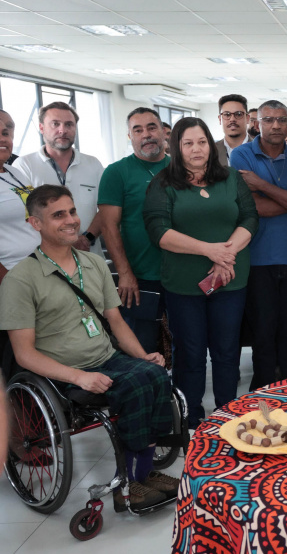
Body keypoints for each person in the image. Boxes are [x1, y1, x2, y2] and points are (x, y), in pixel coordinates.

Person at [0, 184, 179, 510]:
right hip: (62, 373)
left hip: (106, 357)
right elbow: (24, 354)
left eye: (72, 212)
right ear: (35, 223)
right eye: (58, 215)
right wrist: (79, 377)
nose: (71, 220)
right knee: (138, 383)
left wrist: (143, 356)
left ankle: (142, 474)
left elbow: (116, 322)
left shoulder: (94, 264)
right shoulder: (20, 280)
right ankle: (130, 484)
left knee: (155, 372)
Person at [143, 117, 258, 429]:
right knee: (190, 353)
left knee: (227, 352)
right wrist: (210, 251)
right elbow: (159, 231)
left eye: (202, 142)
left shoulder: (230, 178)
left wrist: (225, 255)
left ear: (211, 143)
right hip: (184, 286)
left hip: (230, 280)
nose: (197, 149)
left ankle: (227, 414)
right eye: (188, 143)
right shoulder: (162, 183)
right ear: (176, 147)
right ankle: (190, 418)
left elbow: (249, 218)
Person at [230, 100, 287, 390]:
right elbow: (252, 207)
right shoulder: (242, 155)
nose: (276, 125)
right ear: (257, 124)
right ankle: (263, 398)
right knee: (263, 336)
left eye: (282, 120)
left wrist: (263, 186)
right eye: (269, 120)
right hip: (256, 258)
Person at [97, 107, 170, 350]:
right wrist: (125, 273)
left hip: (181, 274)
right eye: (137, 130)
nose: (146, 134)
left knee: (185, 346)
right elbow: (108, 226)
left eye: (151, 127)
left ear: (163, 131)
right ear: (130, 137)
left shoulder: (181, 168)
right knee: (142, 347)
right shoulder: (116, 172)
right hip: (139, 277)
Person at [14, 101, 104, 257]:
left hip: (89, 254)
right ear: (42, 128)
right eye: (55, 124)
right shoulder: (24, 165)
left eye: (69, 124)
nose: (62, 130)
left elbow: (105, 209)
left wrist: (86, 238)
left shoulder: (93, 164)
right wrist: (63, 241)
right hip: (45, 258)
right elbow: (25, 215)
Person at [0, 110, 39, 284]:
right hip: (11, 275)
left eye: (5, 133)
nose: (3, 139)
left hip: (36, 268)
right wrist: (9, 281)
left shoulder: (15, 172)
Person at [214, 94, 251, 167]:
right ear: (220, 119)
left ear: (247, 118)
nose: (232, 119)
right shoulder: (211, 151)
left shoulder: (262, 149)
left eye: (239, 114)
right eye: (227, 114)